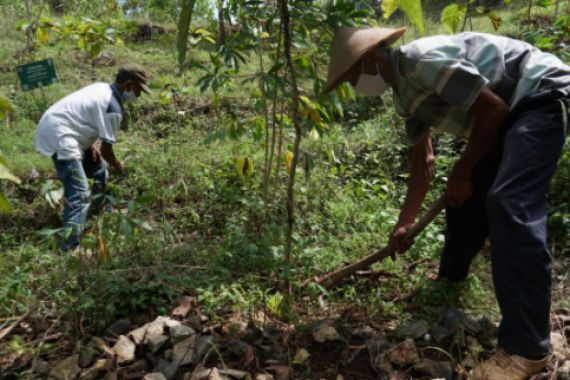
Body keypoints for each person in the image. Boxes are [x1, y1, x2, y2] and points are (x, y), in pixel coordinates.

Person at [324, 27, 570, 380]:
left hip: (540, 94)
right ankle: (449, 281)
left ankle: (527, 348)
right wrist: (404, 223)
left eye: (351, 78)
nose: (354, 87)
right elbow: (422, 162)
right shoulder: (403, 94)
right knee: (465, 200)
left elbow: (493, 109)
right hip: (507, 115)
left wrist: (461, 171)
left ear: (371, 60)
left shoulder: (421, 62)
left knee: (509, 202)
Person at [34, 63, 151, 252]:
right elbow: (107, 151)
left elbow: (84, 118)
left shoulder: (102, 88)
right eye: (138, 90)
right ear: (129, 85)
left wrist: (90, 145)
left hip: (57, 126)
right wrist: (119, 166)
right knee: (79, 193)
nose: (138, 96)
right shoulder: (113, 107)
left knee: (98, 169)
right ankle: (71, 247)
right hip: (61, 135)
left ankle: (102, 215)